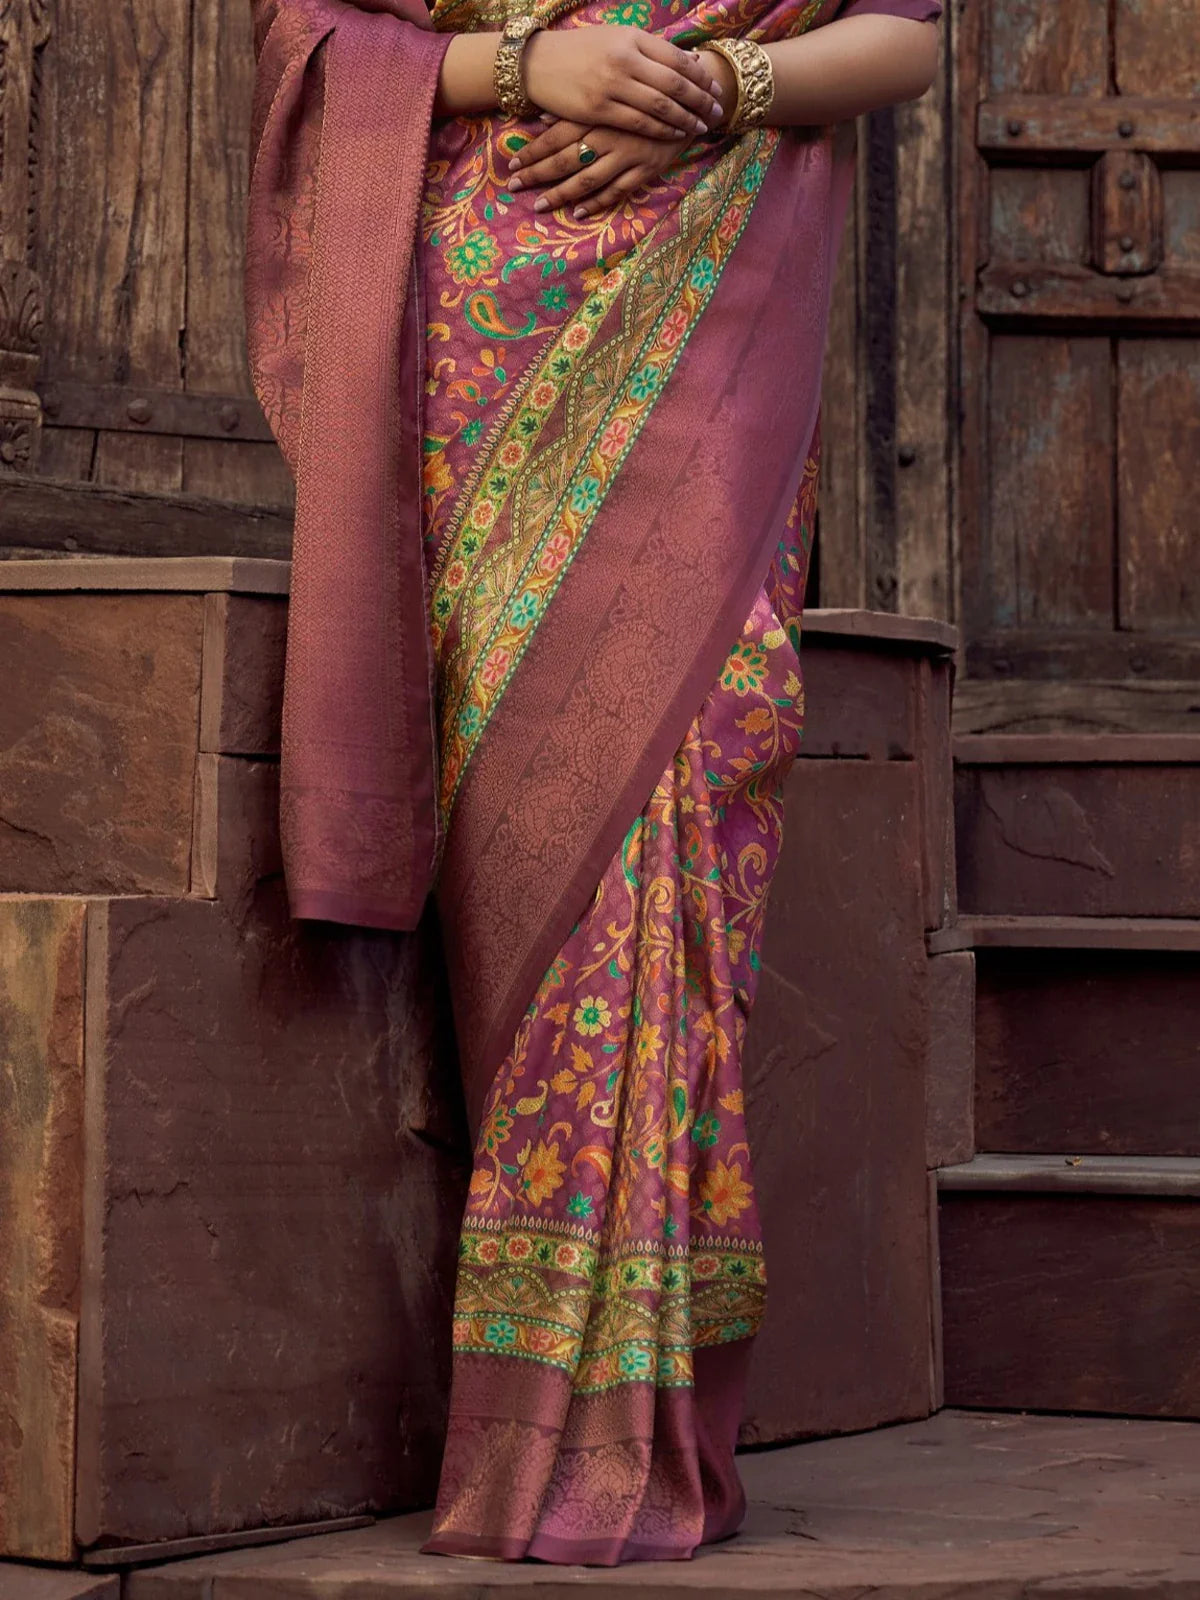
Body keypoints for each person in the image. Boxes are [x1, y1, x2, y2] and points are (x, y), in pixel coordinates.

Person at [247, 0, 940, 1565]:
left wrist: (726, 84)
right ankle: (548, 1405)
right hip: (484, 312)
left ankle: (636, 1417)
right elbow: (308, 27)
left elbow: (904, 32)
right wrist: (518, 65)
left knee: (670, 764)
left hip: (711, 269)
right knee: (525, 808)